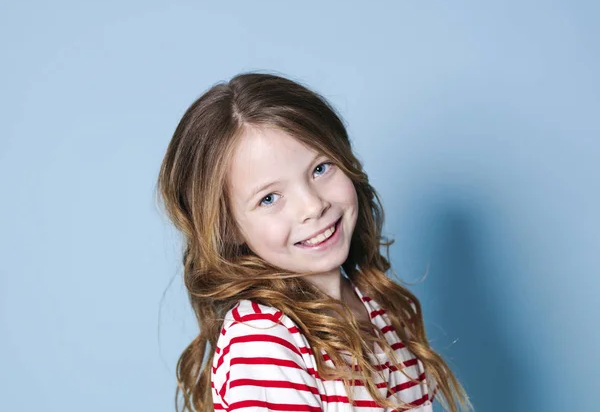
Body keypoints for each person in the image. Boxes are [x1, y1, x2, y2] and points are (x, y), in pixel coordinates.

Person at [156, 72, 472, 412]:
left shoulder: (376, 305)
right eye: (269, 198)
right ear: (228, 227)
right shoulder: (263, 337)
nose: (313, 206)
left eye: (321, 168)